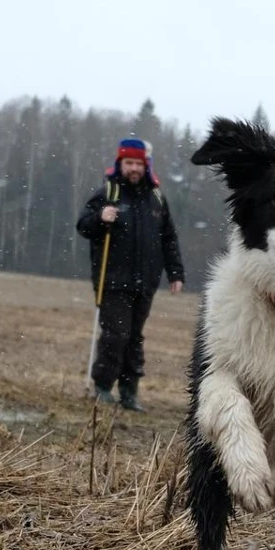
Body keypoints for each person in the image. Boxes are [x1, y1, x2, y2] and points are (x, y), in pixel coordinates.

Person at [77, 137, 185, 411]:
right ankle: (102, 386)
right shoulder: (108, 193)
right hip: (112, 280)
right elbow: (83, 226)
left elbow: (168, 238)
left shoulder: (157, 198)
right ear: (120, 164)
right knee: (116, 334)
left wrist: (175, 272)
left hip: (145, 281)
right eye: (129, 163)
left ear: (145, 165)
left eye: (138, 163)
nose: (134, 168)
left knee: (134, 337)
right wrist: (101, 218)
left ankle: (129, 392)